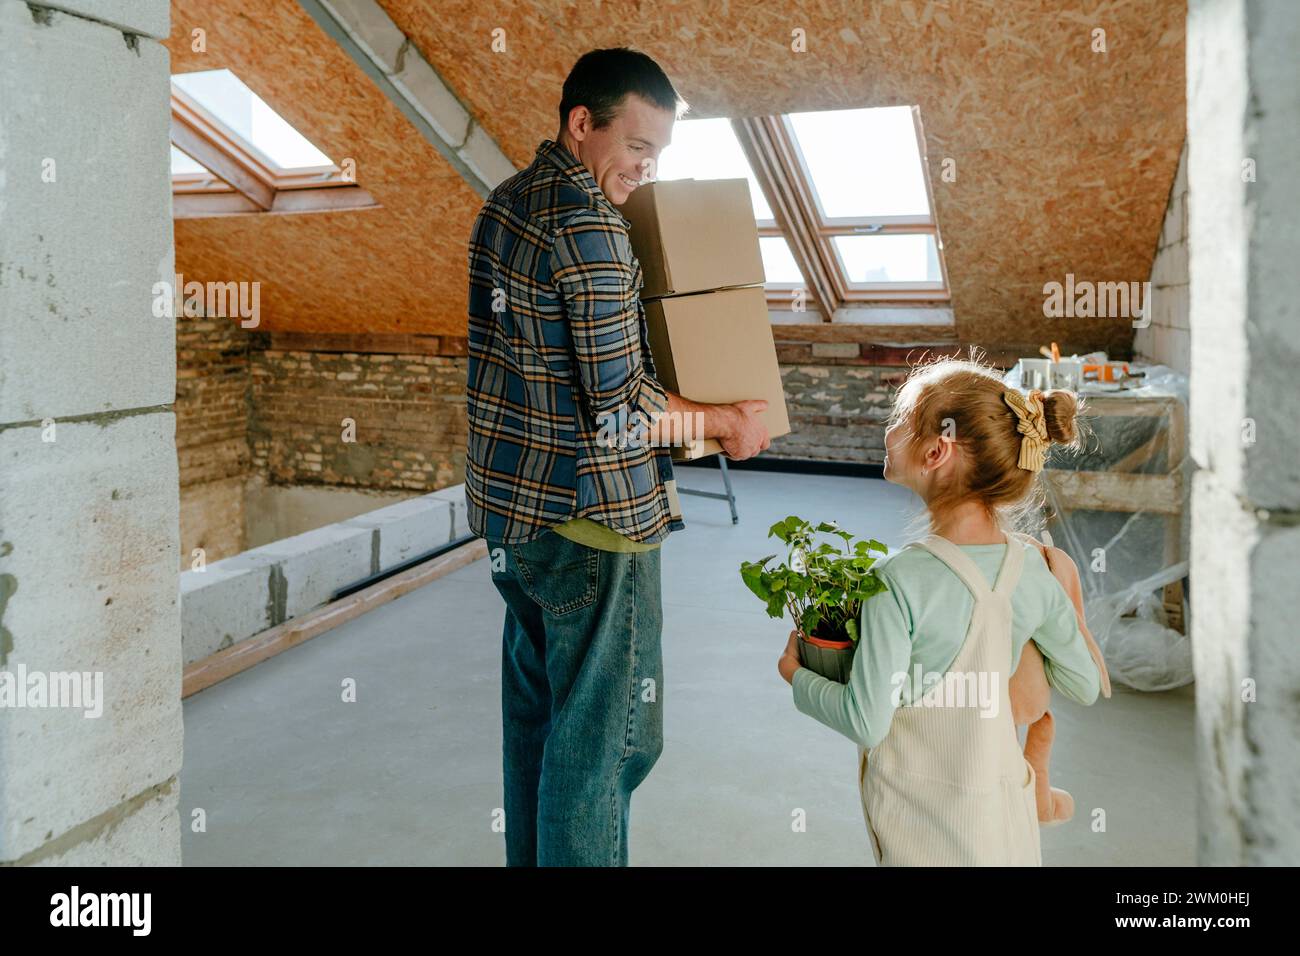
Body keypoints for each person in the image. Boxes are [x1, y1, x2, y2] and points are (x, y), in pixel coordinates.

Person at [465, 47, 769, 867]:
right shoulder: (593, 227)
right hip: (594, 528)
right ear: (581, 124)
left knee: (539, 727)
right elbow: (623, 413)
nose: (646, 168)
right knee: (609, 749)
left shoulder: (503, 203)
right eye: (638, 146)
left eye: (660, 153)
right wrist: (726, 424)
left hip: (511, 523)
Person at [777, 357, 1103, 866]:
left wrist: (796, 675)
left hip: (925, 826)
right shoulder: (1033, 571)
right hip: (1005, 821)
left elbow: (866, 721)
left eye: (898, 421)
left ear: (935, 451)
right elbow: (1083, 684)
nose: (887, 434)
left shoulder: (898, 580)